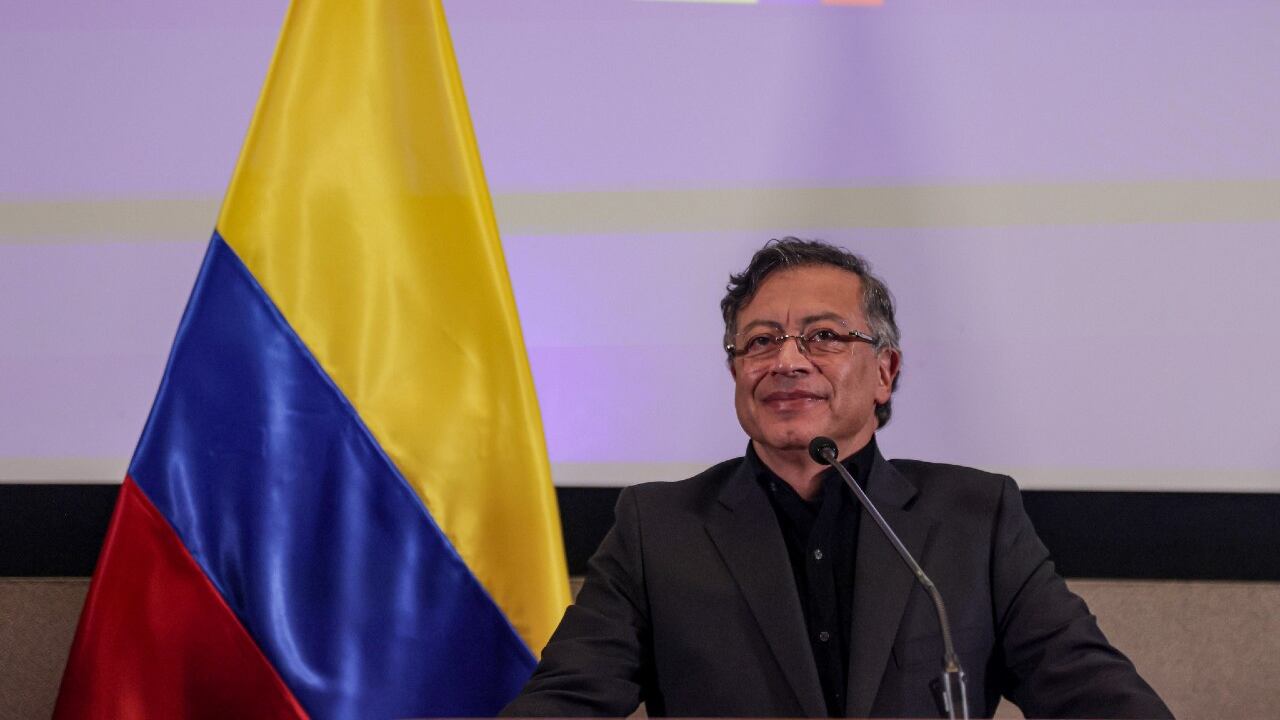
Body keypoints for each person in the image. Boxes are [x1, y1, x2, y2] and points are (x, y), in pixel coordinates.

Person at [503, 238, 1172, 719]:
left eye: (823, 336)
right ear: (736, 373)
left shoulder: (976, 518)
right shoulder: (660, 529)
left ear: (886, 371)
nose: (787, 361)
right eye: (760, 342)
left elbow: (1092, 693)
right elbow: (566, 701)